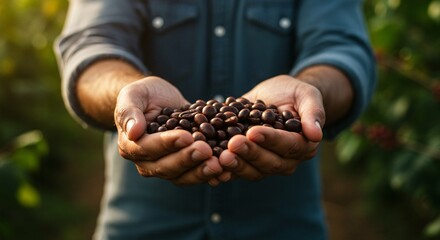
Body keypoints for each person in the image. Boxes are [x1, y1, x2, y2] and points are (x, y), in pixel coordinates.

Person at [54, 0, 376, 239]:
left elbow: (342, 49)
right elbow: (90, 46)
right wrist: (126, 92)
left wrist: (310, 90)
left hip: (282, 226)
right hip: (143, 225)